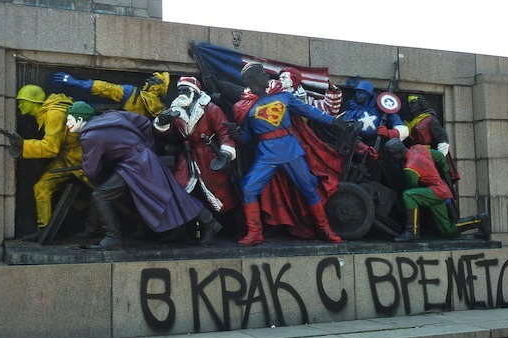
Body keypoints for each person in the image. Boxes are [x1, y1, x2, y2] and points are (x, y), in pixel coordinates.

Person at [68, 102, 223, 250]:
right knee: (173, 194)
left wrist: (106, 168)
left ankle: (112, 238)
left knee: (101, 195)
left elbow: (91, 171)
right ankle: (209, 222)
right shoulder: (112, 115)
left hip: (133, 165)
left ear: (80, 119)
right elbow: (143, 122)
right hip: (144, 158)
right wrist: (146, 147)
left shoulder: (89, 136)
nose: (67, 125)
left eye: (69, 120)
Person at [231, 62, 348, 246]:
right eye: (262, 73)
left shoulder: (284, 96)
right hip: (266, 154)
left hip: (290, 150)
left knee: (309, 187)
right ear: (252, 79)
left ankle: (325, 229)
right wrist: (239, 136)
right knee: (248, 188)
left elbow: (310, 112)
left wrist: (333, 122)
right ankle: (255, 232)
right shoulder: (242, 106)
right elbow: (248, 138)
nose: (268, 76)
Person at [9, 84, 94, 242]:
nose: (19, 105)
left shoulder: (53, 114)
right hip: (68, 157)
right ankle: (44, 229)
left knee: (106, 193)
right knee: (42, 187)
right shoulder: (47, 112)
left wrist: (24, 145)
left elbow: (51, 148)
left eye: (22, 102)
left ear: (33, 103)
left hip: (79, 159)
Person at [153, 77, 239, 216]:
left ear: (195, 92)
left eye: (185, 91)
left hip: (209, 156)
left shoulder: (211, 109)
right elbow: (163, 133)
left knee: (221, 192)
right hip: (188, 157)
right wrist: (162, 122)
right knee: (179, 188)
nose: (181, 94)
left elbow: (225, 132)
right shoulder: (176, 111)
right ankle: (193, 225)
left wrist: (226, 153)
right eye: (180, 90)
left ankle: (230, 224)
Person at [383, 138, 490, 242]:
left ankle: (412, 231)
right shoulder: (419, 148)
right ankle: (478, 220)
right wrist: (446, 179)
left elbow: (413, 190)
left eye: (393, 156)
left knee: (408, 195)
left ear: (400, 151)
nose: (393, 160)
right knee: (448, 231)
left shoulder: (409, 169)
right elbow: (440, 157)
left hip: (435, 192)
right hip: (440, 190)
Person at [404, 94, 461, 209]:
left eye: (413, 103)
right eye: (409, 104)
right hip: (414, 159)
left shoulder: (429, 119)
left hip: (428, 158)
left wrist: (438, 157)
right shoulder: (408, 122)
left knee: (440, 186)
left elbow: (442, 138)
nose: (410, 106)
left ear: (420, 105)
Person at [52, 71, 170, 119]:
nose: (146, 82)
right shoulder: (164, 110)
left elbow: (105, 88)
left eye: (151, 80)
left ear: (156, 87)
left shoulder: (133, 92)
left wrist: (75, 82)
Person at [339, 79, 409, 161]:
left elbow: (404, 129)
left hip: (379, 145)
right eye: (357, 92)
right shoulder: (351, 107)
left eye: (361, 92)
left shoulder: (382, 106)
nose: (357, 95)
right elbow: (344, 129)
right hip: (356, 146)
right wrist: (362, 148)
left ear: (368, 94)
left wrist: (389, 133)